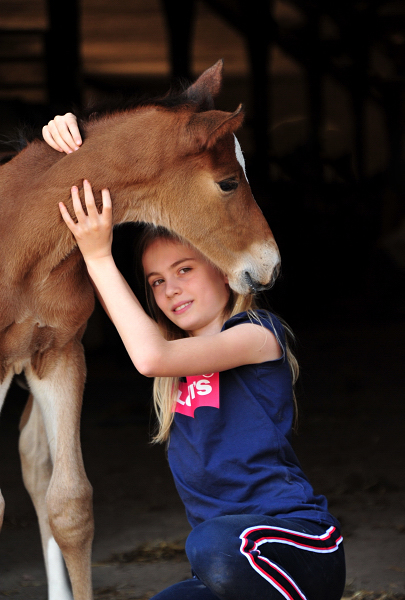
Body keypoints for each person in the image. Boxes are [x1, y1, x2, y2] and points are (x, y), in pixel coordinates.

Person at [42, 115, 346, 600]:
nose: (171, 288)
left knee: (210, 544)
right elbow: (159, 355)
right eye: (157, 281)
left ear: (223, 270)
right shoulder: (178, 370)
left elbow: (149, 356)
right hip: (230, 564)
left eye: (184, 269)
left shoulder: (257, 335)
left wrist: (98, 256)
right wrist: (65, 129)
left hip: (296, 546)